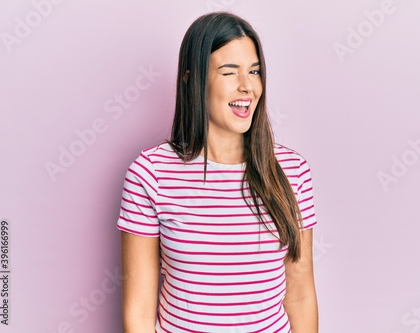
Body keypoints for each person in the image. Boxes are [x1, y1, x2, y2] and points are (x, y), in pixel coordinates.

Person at [117, 12, 318, 333]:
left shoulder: (293, 171)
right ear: (191, 79)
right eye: (229, 72)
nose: (247, 86)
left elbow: (301, 295)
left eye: (254, 71)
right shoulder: (149, 174)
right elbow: (138, 315)